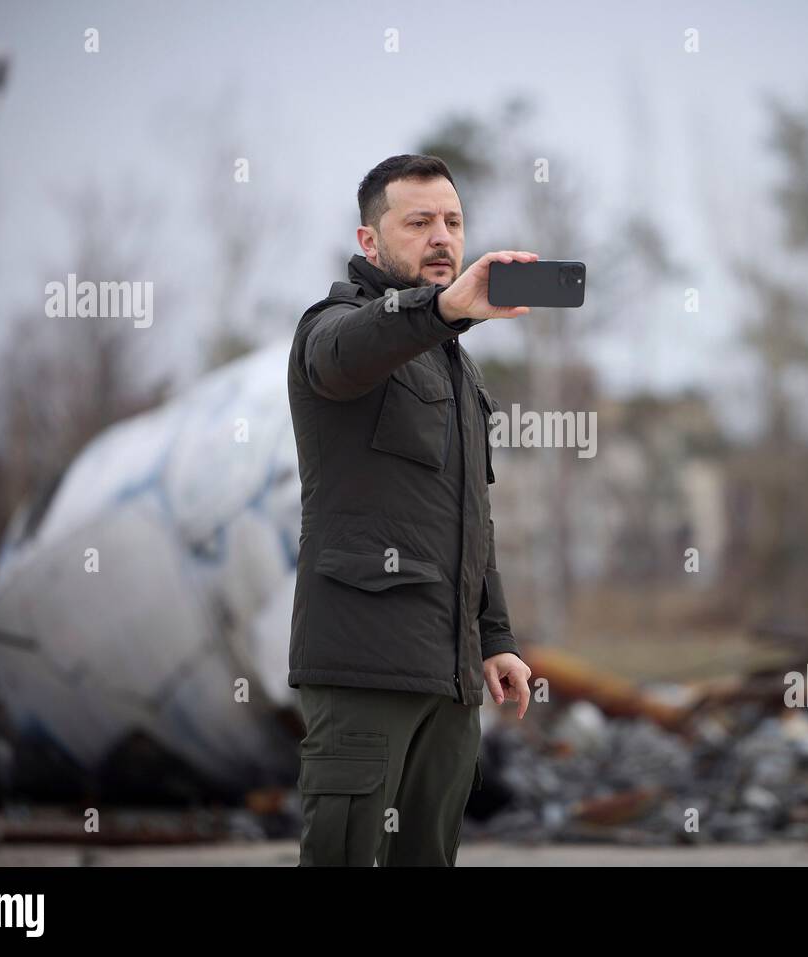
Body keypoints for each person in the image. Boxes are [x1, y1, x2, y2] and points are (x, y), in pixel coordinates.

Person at [287, 153, 533, 865]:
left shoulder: (457, 366)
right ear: (370, 241)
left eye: (453, 222)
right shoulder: (331, 327)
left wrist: (496, 637)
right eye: (419, 221)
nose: (442, 238)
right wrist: (447, 307)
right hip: (363, 670)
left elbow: (467, 518)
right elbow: (347, 354)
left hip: (448, 678)